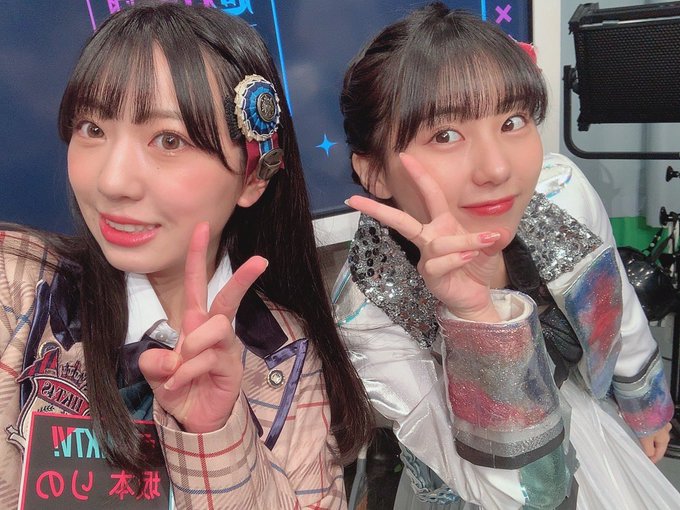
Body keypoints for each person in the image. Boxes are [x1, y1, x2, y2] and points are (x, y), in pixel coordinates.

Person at [0, 3, 373, 509]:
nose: (112, 181)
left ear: (253, 176)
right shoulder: (17, 288)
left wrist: (214, 436)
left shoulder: (284, 354)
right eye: (92, 129)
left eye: (168, 140)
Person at [332, 3, 679, 509]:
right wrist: (477, 318)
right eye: (445, 135)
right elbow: (529, 495)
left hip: (591, 416)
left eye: (513, 121)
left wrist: (645, 404)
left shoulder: (561, 192)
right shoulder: (367, 307)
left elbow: (616, 306)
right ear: (375, 172)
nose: (497, 169)